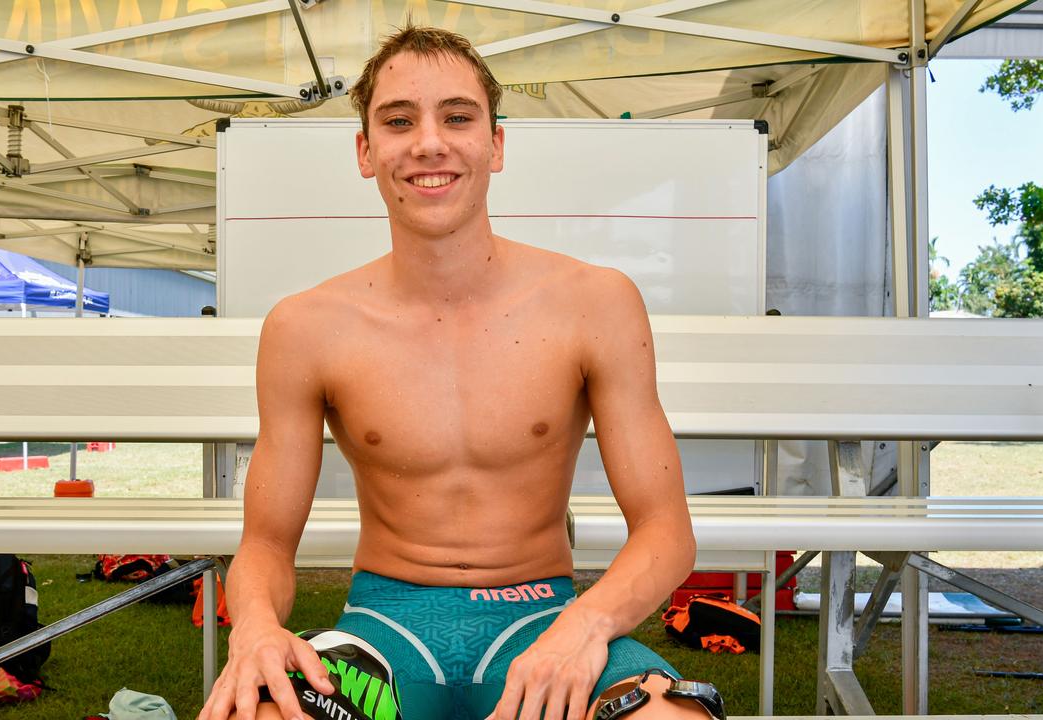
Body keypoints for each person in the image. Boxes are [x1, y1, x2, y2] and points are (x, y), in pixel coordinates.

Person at [199, 26, 703, 720]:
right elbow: (265, 545)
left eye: (458, 117)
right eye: (399, 121)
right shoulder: (305, 327)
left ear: (495, 145)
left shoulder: (596, 303)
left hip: (543, 621)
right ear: (365, 150)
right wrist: (255, 627)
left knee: (668, 719)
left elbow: (666, 529)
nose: (429, 142)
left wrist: (585, 627)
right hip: (386, 632)